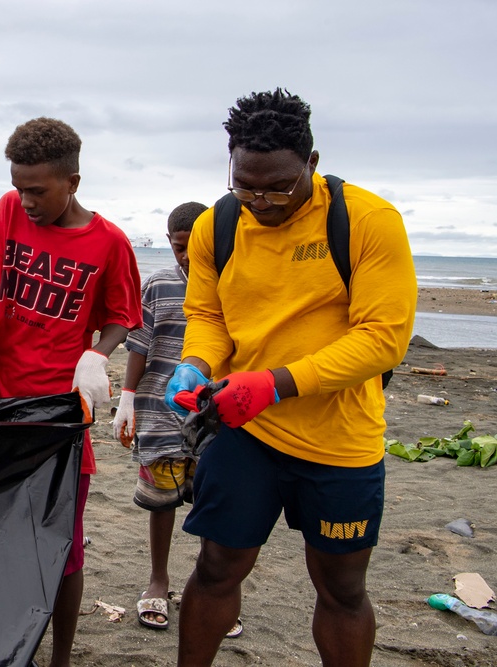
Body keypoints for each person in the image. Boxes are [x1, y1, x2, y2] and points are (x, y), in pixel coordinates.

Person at [164, 89, 417, 666]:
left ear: (313, 163)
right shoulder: (217, 226)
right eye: (246, 185)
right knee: (216, 568)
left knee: (342, 589)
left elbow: (382, 338)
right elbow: (209, 318)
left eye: (279, 186)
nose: (262, 201)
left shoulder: (368, 221)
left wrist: (275, 383)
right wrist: (197, 364)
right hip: (244, 433)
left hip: (340, 441)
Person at [0, 117, 142, 666]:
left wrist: (96, 354)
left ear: (73, 182)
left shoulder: (108, 243)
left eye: (38, 190)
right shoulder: (9, 213)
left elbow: (122, 315)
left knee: (63, 548)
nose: (26, 200)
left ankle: (61, 656)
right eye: (19, 186)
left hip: (60, 414)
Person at [111, 202, 208, 630]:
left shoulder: (230, 284)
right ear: (170, 242)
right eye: (179, 246)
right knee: (162, 501)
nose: (186, 256)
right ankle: (158, 580)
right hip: (159, 412)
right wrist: (127, 400)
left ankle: (209, 587)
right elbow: (139, 344)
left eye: (195, 246)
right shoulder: (159, 285)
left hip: (212, 417)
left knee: (213, 501)